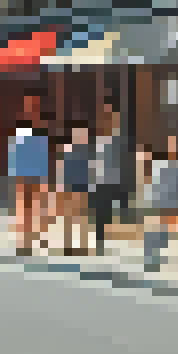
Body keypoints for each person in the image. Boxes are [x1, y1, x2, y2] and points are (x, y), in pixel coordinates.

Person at [141, 134, 178, 272]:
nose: (173, 148)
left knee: (165, 233)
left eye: (175, 145)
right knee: (154, 233)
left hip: (174, 205)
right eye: (170, 144)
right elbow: (153, 185)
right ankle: (152, 260)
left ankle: (157, 259)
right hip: (160, 204)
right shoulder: (159, 164)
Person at [7, 108, 53, 256]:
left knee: (29, 210)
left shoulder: (27, 137)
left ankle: (29, 241)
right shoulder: (36, 138)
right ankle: (31, 241)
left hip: (29, 176)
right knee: (32, 210)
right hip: (31, 177)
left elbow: (15, 159)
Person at [90, 106, 130, 252]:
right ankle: (100, 243)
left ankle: (121, 242)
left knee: (122, 213)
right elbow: (93, 162)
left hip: (117, 181)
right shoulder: (97, 140)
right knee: (101, 216)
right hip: (101, 182)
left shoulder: (121, 141)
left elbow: (125, 162)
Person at [55, 121, 97, 255]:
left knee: (83, 216)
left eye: (82, 133)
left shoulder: (90, 152)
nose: (80, 136)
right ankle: (69, 245)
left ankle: (83, 244)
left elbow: (93, 171)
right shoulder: (67, 149)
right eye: (78, 133)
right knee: (69, 217)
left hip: (83, 188)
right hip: (69, 187)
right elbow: (60, 168)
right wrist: (60, 186)